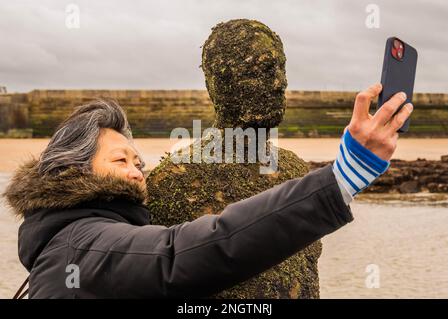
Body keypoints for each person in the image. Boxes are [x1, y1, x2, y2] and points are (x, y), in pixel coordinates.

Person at [3, 83, 413, 298]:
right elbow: (182, 253)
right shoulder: (84, 244)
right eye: (120, 161)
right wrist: (343, 177)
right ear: (73, 170)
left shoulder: (64, 241)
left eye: (138, 161)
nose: (137, 172)